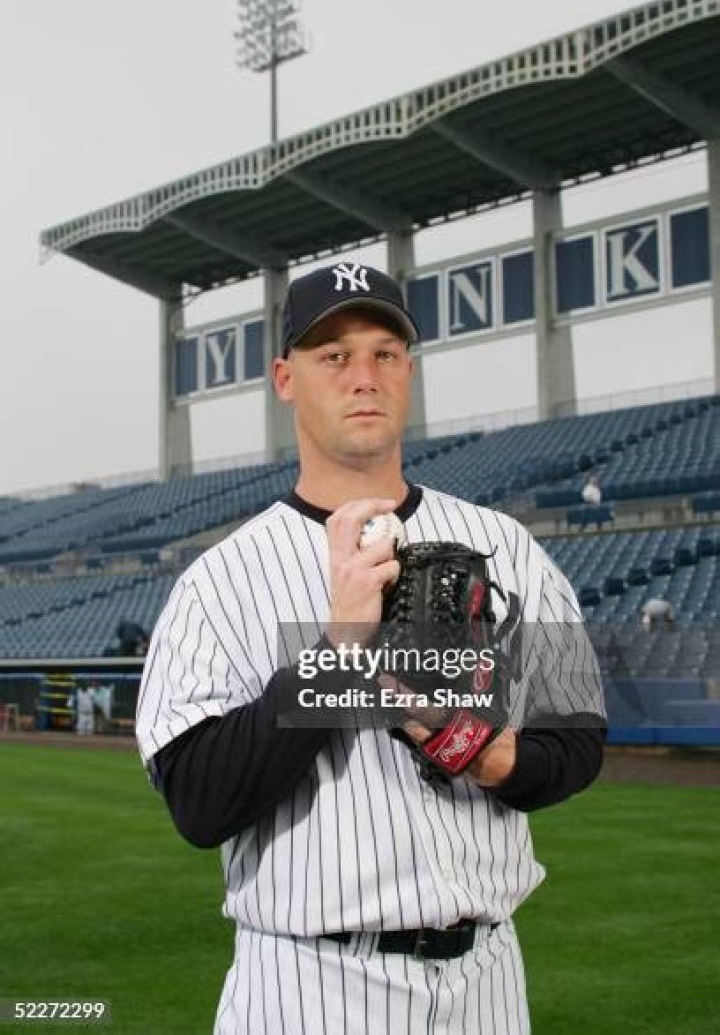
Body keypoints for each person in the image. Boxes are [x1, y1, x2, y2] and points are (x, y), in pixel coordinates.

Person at [136, 262, 606, 1035]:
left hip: (489, 982)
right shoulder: (217, 580)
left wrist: (486, 755)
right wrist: (339, 649)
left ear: (408, 373)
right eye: (334, 356)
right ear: (286, 379)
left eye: (386, 353)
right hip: (309, 986)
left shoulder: (507, 544)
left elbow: (579, 739)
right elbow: (198, 801)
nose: (365, 377)